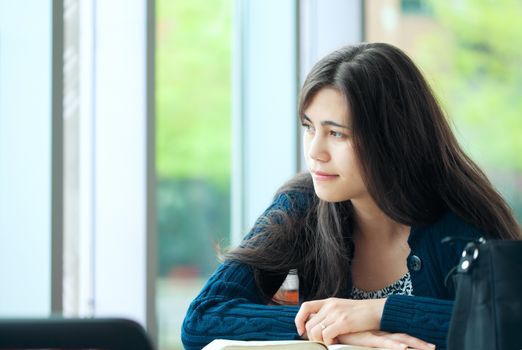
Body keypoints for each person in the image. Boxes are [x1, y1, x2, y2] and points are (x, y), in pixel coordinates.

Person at [181, 42, 521, 350]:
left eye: (336, 133)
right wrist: (330, 327)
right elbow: (202, 319)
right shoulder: (300, 207)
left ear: (393, 138)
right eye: (309, 127)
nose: (315, 151)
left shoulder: (458, 222)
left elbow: (506, 328)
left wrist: (380, 312)